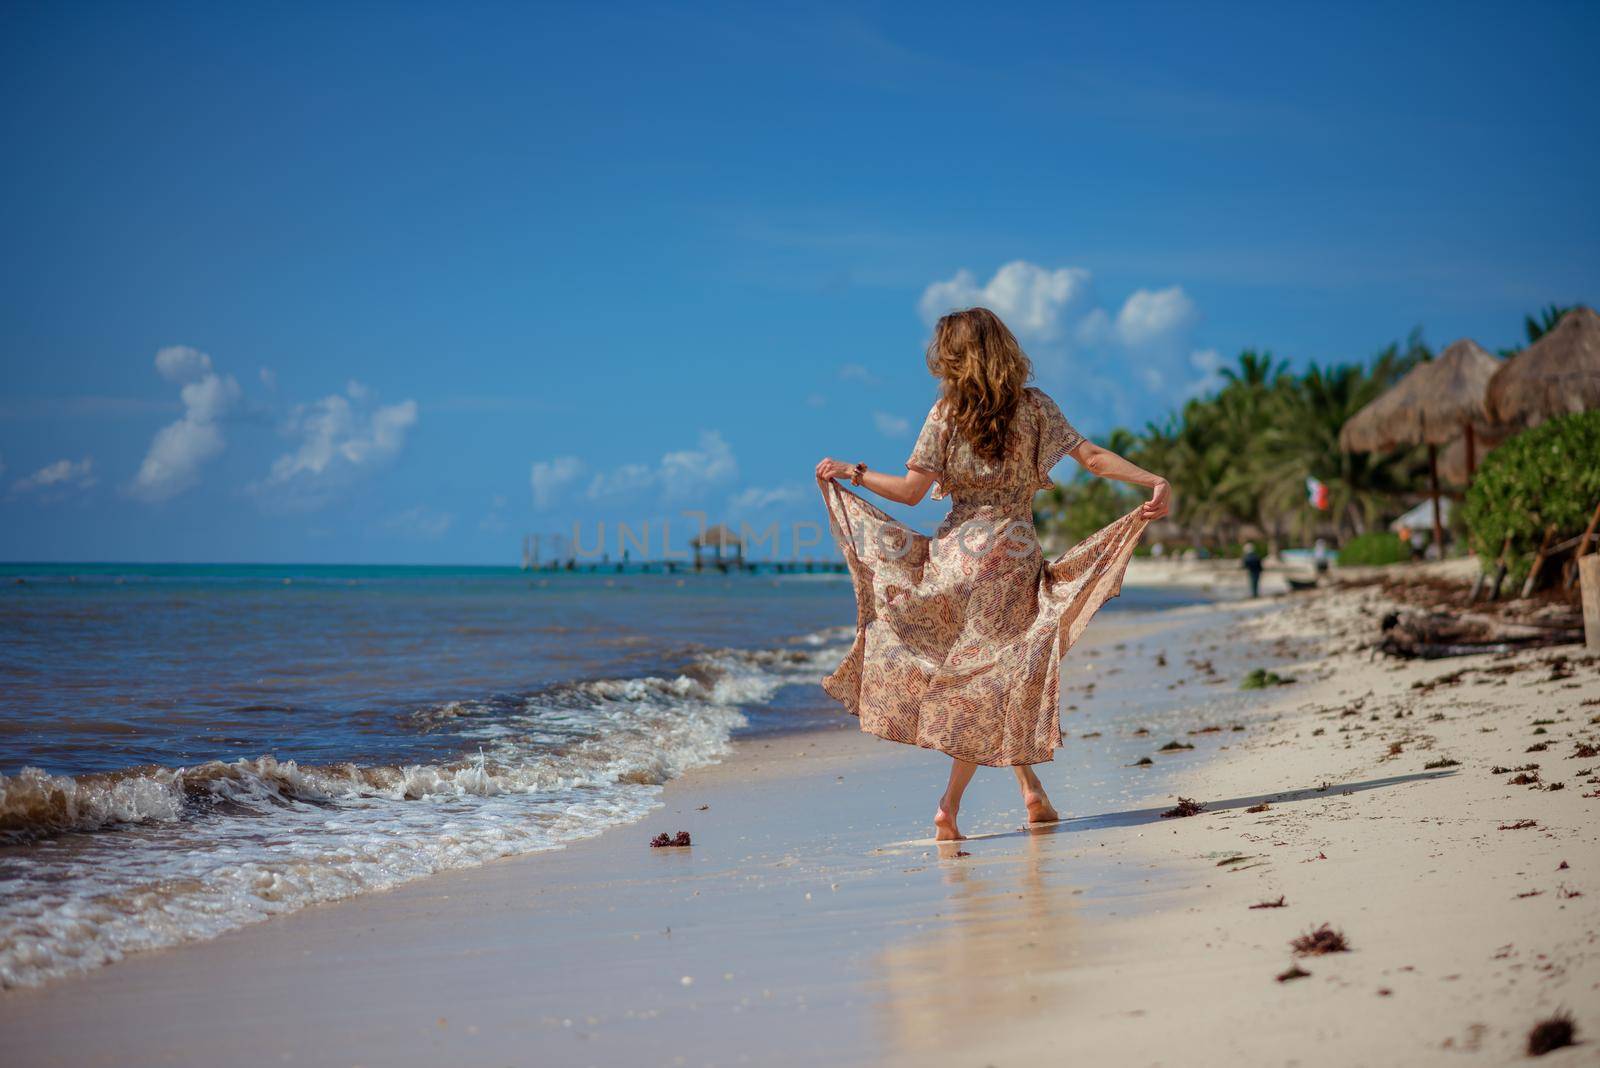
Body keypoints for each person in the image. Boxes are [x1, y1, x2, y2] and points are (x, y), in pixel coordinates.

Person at [814, 307, 1171, 841]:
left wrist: (855, 473)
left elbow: (911, 493)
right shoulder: (1036, 407)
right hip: (1012, 553)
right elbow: (1093, 459)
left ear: (951, 356)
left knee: (987, 675)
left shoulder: (947, 413)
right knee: (996, 675)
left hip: (957, 557)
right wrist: (1153, 480)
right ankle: (950, 805)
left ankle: (1030, 795)